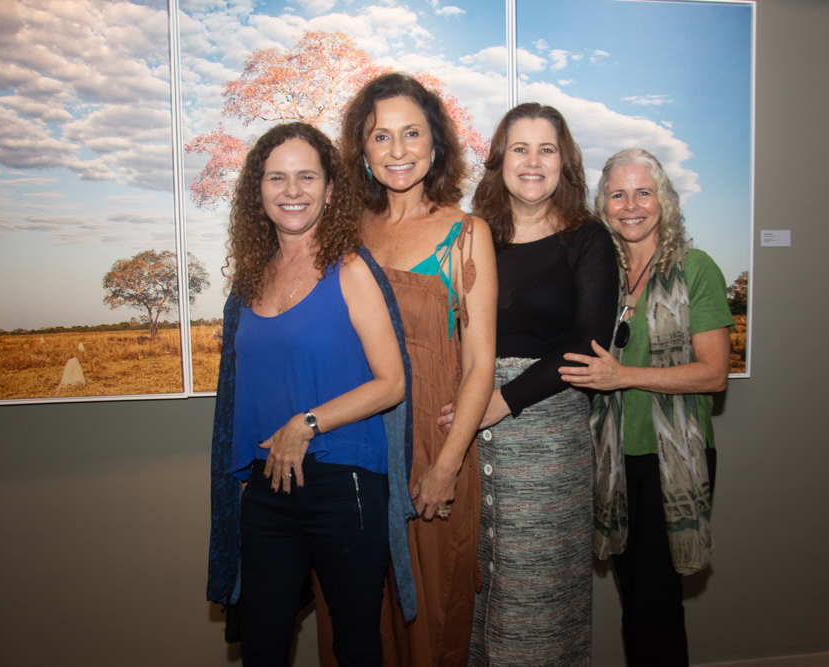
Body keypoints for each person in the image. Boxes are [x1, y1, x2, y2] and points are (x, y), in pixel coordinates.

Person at [206, 122, 408, 667]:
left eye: (306, 177)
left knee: (356, 647)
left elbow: (392, 383)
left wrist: (308, 422)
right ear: (259, 190)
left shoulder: (350, 268)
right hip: (267, 487)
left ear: (330, 189)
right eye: (277, 177)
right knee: (262, 647)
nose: (291, 190)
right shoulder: (249, 280)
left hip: (343, 483)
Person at [312, 73, 497, 667]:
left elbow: (479, 364)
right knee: (357, 617)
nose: (397, 150)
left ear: (435, 143)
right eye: (380, 136)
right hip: (352, 444)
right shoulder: (339, 232)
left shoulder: (466, 234)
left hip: (431, 446)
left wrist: (446, 467)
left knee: (432, 620)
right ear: (361, 151)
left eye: (411, 133)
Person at [433, 102, 618, 665]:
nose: (532, 161)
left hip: (548, 436)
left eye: (547, 149)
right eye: (519, 148)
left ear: (565, 162)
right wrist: (469, 403)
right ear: (499, 160)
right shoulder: (473, 237)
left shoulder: (588, 241)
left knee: (537, 602)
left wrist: (502, 401)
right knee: (475, 590)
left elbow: (586, 347)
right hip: (471, 431)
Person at [558, 148, 734, 666]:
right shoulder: (600, 276)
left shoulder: (694, 269)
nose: (630, 205)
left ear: (664, 201)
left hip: (672, 459)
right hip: (612, 458)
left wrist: (622, 376)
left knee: (655, 605)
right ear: (603, 204)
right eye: (618, 194)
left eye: (643, 192)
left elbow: (714, 373)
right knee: (633, 599)